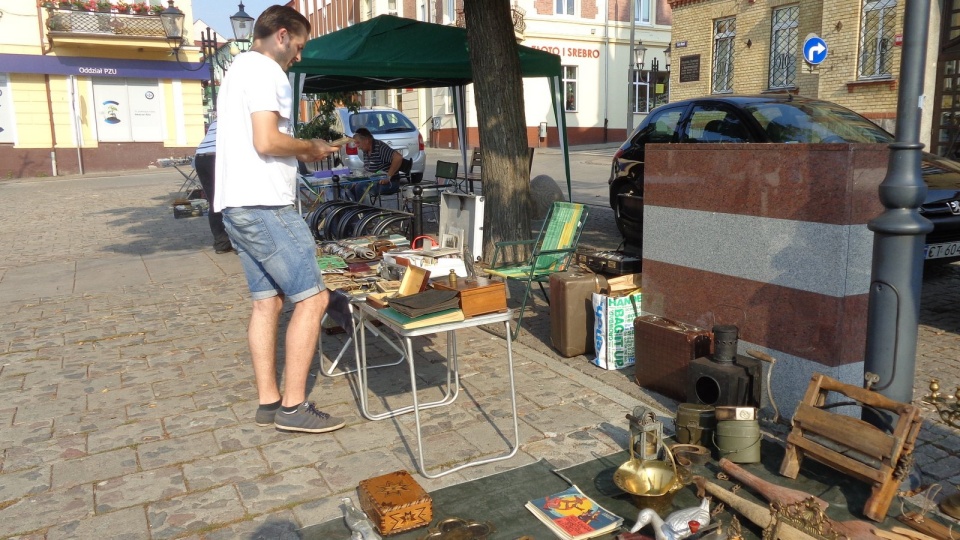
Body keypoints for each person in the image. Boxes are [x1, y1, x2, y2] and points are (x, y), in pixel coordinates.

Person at [213, 5, 343, 434]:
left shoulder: (236, 69)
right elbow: (267, 141)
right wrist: (310, 148)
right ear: (282, 36)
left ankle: (269, 400)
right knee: (313, 299)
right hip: (263, 205)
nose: (300, 57)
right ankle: (294, 407)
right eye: (300, 46)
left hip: (236, 205)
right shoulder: (268, 71)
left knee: (267, 302)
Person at [194, 119, 232, 254]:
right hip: (217, 157)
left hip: (201, 157)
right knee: (232, 200)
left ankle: (221, 243)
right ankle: (240, 243)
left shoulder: (217, 120)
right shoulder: (239, 115)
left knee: (214, 202)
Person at [349, 127, 403, 203]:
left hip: (390, 183)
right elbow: (367, 170)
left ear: (366, 141)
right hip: (373, 181)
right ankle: (354, 210)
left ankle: (366, 213)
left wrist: (388, 177)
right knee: (350, 186)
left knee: (360, 187)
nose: (357, 146)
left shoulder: (379, 147)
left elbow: (398, 157)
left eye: (358, 142)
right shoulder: (366, 150)